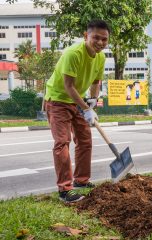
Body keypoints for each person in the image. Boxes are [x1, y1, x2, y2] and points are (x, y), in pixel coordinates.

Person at [45, 20, 110, 203]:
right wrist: (85, 108)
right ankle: (65, 190)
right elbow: (68, 86)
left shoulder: (101, 57)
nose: (100, 42)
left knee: (84, 140)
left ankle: (81, 180)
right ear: (86, 36)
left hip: (79, 101)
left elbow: (96, 82)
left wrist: (93, 102)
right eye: (96, 38)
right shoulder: (73, 54)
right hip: (58, 100)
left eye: (104, 39)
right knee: (62, 142)